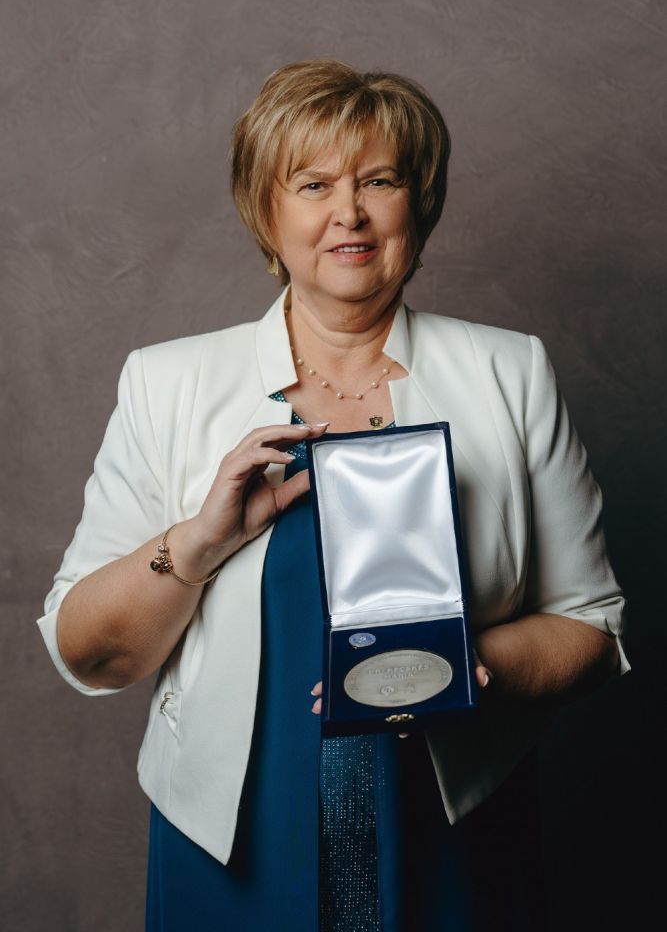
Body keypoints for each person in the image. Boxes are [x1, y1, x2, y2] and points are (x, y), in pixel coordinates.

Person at [38, 58, 629, 931]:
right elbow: (88, 652)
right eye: (313, 184)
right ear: (267, 213)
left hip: (455, 827)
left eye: (378, 181)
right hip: (230, 839)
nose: (348, 212)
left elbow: (591, 626)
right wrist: (196, 544)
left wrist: (473, 669)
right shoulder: (165, 383)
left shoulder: (510, 371)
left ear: (417, 204)